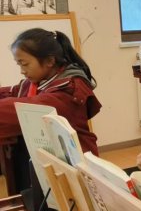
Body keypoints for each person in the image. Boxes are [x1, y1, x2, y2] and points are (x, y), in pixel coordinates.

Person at [0, 29, 101, 191]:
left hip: (76, 165)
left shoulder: (68, 90)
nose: (22, 71)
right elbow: (13, 92)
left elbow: (24, 109)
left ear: (49, 61)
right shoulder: (38, 81)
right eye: (19, 64)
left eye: (25, 64)